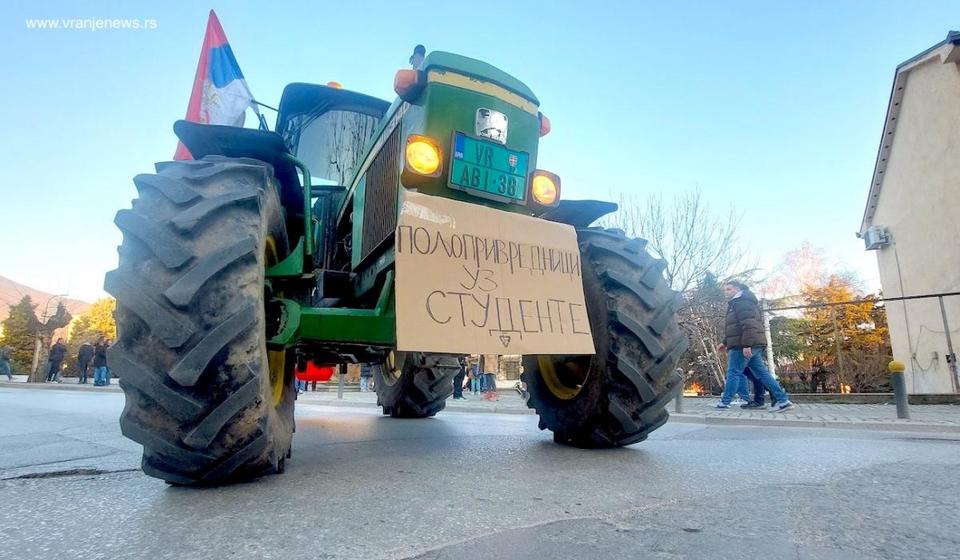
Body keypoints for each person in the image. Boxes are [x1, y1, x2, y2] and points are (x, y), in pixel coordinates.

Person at [715, 281, 795, 412]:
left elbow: (748, 325)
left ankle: (724, 402)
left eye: (729, 289)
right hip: (749, 343)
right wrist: (725, 342)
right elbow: (736, 327)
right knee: (762, 374)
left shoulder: (741, 302)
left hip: (744, 345)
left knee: (733, 372)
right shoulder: (741, 301)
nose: (726, 292)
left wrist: (747, 344)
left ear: (737, 289)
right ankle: (783, 400)